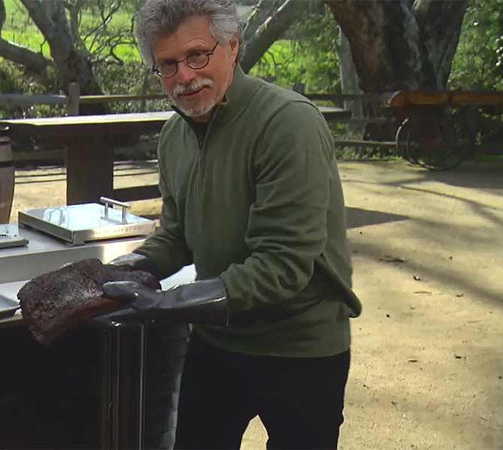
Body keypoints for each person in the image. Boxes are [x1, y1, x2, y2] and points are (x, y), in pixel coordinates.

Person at [100, 0, 363, 448]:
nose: (184, 76)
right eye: (167, 64)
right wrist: (128, 269)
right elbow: (179, 235)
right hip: (216, 338)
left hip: (299, 346)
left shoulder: (287, 124)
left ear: (233, 46)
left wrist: (170, 304)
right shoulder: (174, 135)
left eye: (197, 55)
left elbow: (282, 264)